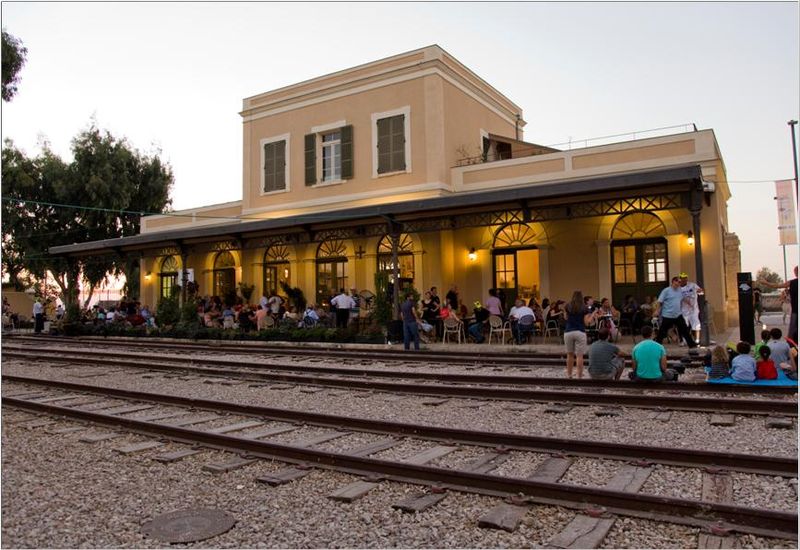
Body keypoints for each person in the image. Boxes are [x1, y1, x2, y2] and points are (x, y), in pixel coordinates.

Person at [758, 266, 798, 343]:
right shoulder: (792, 282)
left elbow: (776, 285)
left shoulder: (792, 282)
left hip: (796, 311)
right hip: (795, 311)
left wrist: (766, 283)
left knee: (793, 332)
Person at [656, 276, 697, 348]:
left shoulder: (680, 290)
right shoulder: (666, 291)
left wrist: (690, 304)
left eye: (679, 282)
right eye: (677, 282)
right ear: (673, 282)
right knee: (662, 331)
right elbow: (660, 301)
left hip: (678, 315)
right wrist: (657, 310)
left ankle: (692, 344)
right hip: (667, 315)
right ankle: (657, 345)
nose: (678, 283)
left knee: (685, 330)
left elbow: (683, 298)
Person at [564, 291, 591, 379]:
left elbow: (566, 318)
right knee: (579, 356)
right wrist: (591, 317)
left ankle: (569, 375)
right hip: (580, 332)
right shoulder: (585, 308)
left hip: (568, 332)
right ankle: (579, 376)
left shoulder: (567, 306)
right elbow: (586, 323)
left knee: (569, 354)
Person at [679, 273, 703, 344]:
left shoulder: (692, 285)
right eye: (682, 278)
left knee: (696, 324)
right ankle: (684, 340)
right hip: (684, 311)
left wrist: (700, 291)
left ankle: (697, 340)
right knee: (684, 326)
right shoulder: (678, 288)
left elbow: (700, 292)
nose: (684, 279)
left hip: (694, 310)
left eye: (685, 278)